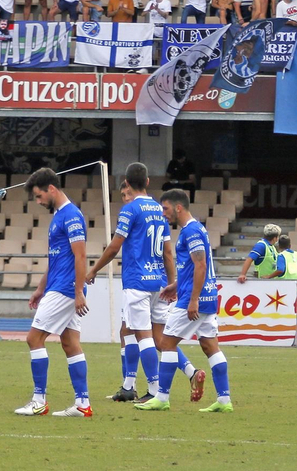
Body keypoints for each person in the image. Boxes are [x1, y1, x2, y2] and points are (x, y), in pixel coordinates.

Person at [85, 163, 189, 404]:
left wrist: (94, 270)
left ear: (127, 183)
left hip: (137, 281)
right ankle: (132, 386)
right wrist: (171, 283)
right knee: (149, 335)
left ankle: (154, 391)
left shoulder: (130, 210)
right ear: (148, 182)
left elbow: (114, 247)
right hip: (159, 283)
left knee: (144, 337)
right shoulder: (160, 209)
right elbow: (168, 253)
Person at [135, 189, 233, 413]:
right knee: (210, 346)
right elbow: (193, 267)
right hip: (207, 296)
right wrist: (176, 285)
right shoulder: (198, 229)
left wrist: (193, 300)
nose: (163, 214)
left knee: (166, 343)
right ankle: (224, 401)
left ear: (178, 207)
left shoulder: (191, 231)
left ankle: (161, 398)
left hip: (194, 298)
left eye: (166, 209)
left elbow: (201, 265)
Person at [14, 168, 93, 418]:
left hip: (65, 289)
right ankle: (82, 404)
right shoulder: (59, 215)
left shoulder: (71, 216)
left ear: (51, 189)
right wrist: (40, 288)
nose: (38, 202)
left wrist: (78, 291)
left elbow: (81, 255)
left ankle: (39, 401)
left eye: (39, 196)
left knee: (34, 339)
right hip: (59, 286)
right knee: (70, 344)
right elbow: (57, 258)